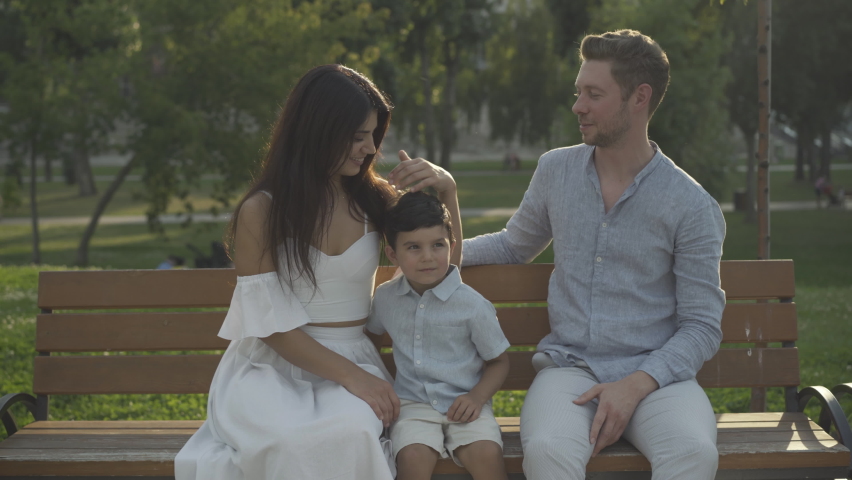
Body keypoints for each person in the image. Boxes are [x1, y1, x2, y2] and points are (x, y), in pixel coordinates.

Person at [174, 64, 461, 480]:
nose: (369, 148)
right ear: (317, 128)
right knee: (291, 442)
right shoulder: (263, 210)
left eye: (373, 135)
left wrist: (448, 191)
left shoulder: (376, 202)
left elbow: (441, 281)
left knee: (351, 432)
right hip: (270, 368)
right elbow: (269, 324)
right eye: (357, 135)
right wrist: (355, 379)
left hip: (354, 357)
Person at [462, 30, 726, 480]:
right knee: (547, 451)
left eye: (594, 94)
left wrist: (635, 386)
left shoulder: (691, 205)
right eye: (578, 91)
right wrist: (439, 253)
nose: (577, 106)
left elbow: (702, 325)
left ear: (639, 98)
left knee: (693, 454)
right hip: (569, 370)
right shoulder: (555, 170)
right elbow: (512, 245)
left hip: (657, 377)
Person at [366, 191, 510, 480]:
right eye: (414, 247)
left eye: (437, 245)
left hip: (466, 403)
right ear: (392, 254)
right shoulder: (385, 299)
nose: (428, 257)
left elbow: (499, 362)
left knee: (485, 454)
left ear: (451, 245)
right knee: (412, 456)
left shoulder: (472, 305)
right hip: (412, 405)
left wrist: (476, 397)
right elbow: (370, 341)